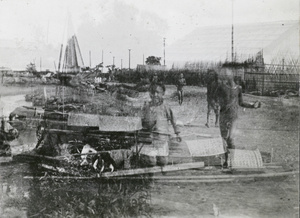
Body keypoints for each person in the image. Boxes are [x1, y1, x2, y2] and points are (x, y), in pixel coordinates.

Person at [214, 66, 261, 168]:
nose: (227, 75)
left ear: (233, 75)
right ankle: (227, 161)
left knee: (230, 139)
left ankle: (233, 160)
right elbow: (214, 99)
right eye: (225, 74)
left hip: (233, 116)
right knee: (224, 140)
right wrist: (216, 105)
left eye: (228, 73)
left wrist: (253, 105)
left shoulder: (238, 88)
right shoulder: (221, 87)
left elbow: (241, 103)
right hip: (223, 116)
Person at [140, 82, 180, 166]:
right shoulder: (146, 106)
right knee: (151, 162)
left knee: (163, 162)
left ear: (163, 93)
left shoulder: (166, 106)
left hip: (162, 138)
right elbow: (141, 121)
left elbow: (173, 120)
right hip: (150, 139)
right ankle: (144, 157)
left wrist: (177, 133)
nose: (155, 95)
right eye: (152, 92)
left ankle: (158, 157)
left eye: (158, 92)